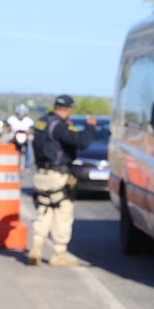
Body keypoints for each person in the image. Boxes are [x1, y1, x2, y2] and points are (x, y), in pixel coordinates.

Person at [29, 94, 96, 267]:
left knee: (44, 210)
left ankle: (36, 246)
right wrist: (90, 127)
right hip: (57, 175)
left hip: (41, 175)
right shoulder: (60, 126)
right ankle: (59, 253)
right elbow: (81, 142)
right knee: (62, 213)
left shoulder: (42, 122)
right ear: (69, 109)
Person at [6, 104, 35, 168]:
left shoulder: (28, 120)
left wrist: (30, 133)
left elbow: (32, 128)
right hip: (14, 137)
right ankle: (7, 161)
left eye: (22, 114)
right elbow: (7, 127)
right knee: (7, 146)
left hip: (25, 138)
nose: (21, 115)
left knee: (30, 148)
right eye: (20, 113)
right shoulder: (12, 119)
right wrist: (9, 131)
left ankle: (27, 164)